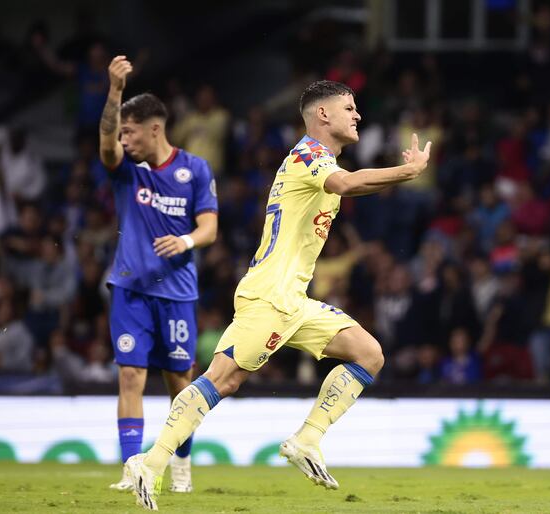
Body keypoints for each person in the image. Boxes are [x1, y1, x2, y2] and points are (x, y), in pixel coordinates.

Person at [124, 80, 431, 510]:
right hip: (270, 296)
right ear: (322, 114)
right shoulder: (308, 155)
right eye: (350, 106)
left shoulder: (317, 159)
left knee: (368, 353)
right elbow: (346, 185)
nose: (357, 115)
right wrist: (407, 172)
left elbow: (348, 183)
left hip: (294, 299)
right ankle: (150, 463)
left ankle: (306, 441)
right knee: (223, 379)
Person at [99, 56, 219, 494]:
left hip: (177, 292)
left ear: (154, 129)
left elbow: (209, 227)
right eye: (121, 131)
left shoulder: (195, 170)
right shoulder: (127, 171)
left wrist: (186, 241)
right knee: (130, 376)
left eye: (129, 131)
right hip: (130, 288)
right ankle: (132, 468)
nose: (123, 139)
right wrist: (114, 92)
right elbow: (105, 146)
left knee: (179, 383)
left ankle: (181, 464)